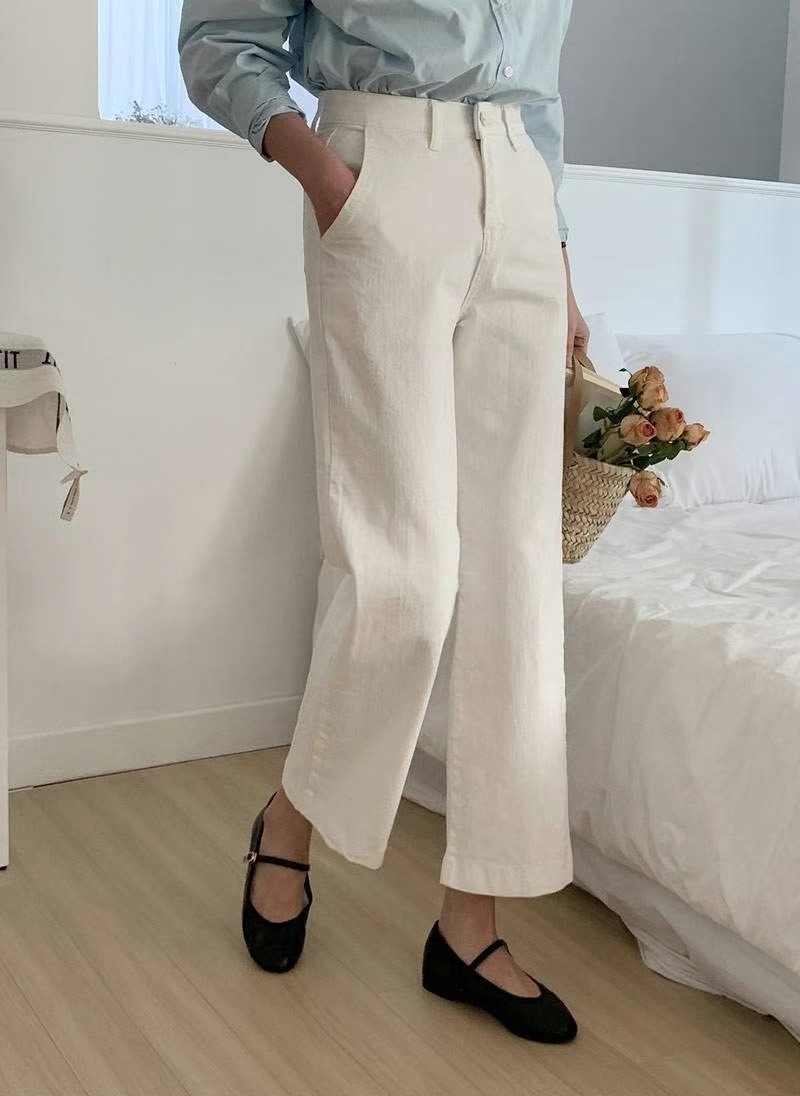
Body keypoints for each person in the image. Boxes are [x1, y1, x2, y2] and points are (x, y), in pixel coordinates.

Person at [178, 0, 588, 1044]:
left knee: (516, 580)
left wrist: (557, 257)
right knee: (404, 572)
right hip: (381, 172)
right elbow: (219, 42)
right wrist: (329, 179)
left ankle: (469, 924)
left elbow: (537, 87)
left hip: (523, 197)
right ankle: (291, 820)